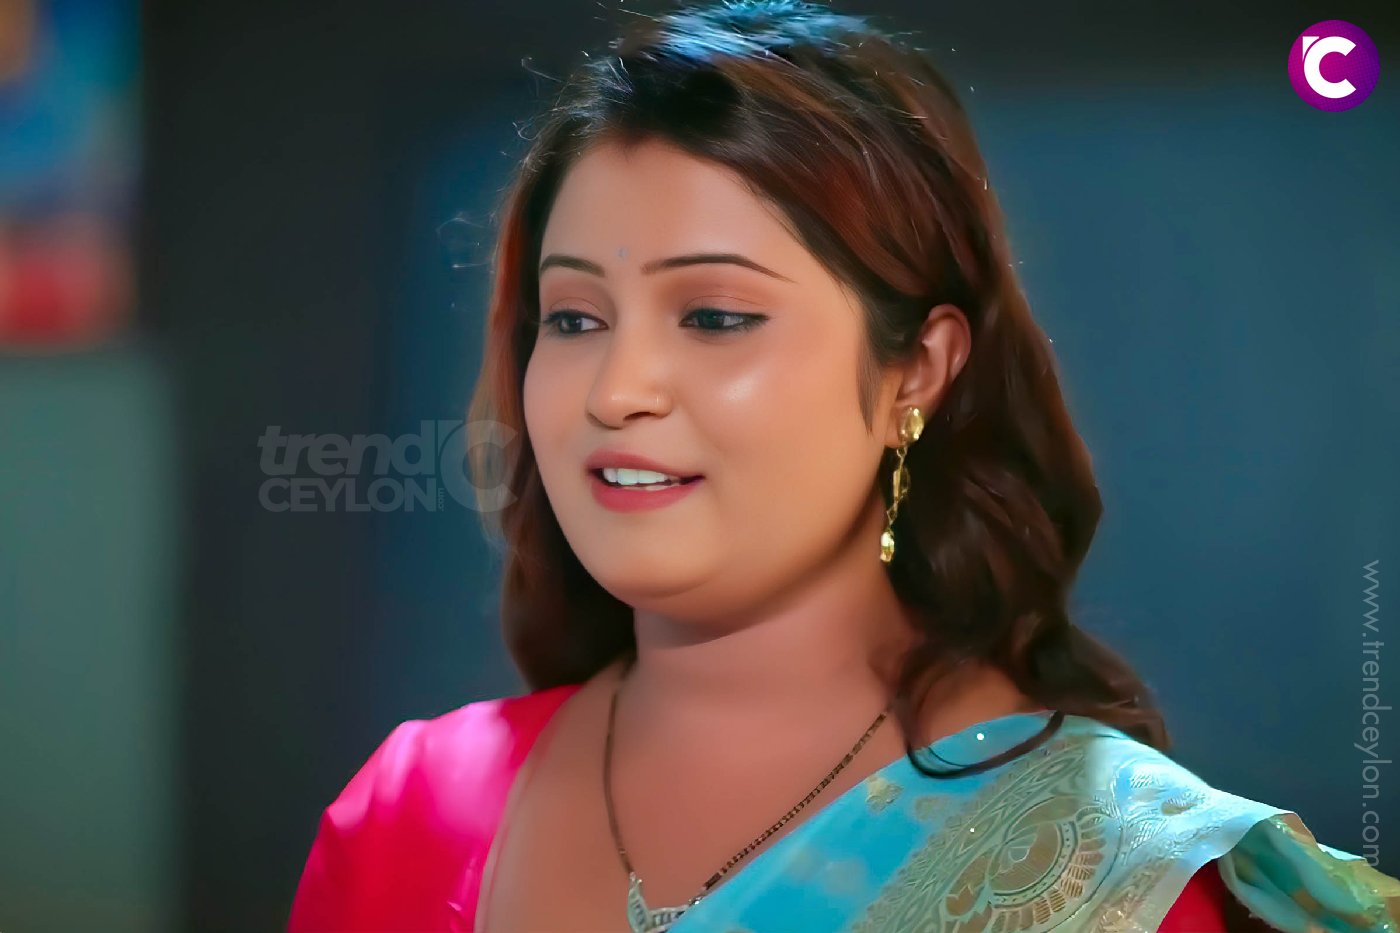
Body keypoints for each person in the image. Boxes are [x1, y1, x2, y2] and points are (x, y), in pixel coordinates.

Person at [288, 1, 1400, 930]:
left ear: (917, 368)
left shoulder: (1108, 871)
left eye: (715, 316)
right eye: (574, 318)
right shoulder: (411, 813)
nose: (616, 389)